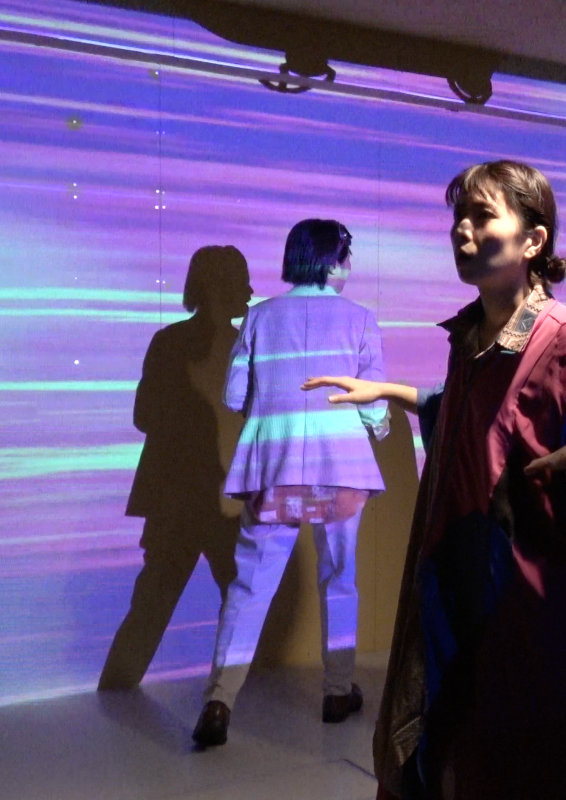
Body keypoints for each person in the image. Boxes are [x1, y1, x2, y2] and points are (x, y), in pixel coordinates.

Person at [304, 160, 566, 800]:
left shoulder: (565, 340)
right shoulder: (473, 333)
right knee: (451, 747)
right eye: (458, 217)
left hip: (526, 598)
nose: (462, 230)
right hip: (462, 577)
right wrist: (390, 392)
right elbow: (475, 420)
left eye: (482, 216)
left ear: (534, 240)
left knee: (518, 762)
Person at [191, 220, 389, 747]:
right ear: (331, 260)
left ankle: (219, 700)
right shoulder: (360, 319)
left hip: (274, 468)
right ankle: (337, 691)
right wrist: (378, 426)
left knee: (249, 586)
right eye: (346, 256)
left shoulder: (259, 317)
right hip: (340, 468)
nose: (349, 266)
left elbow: (235, 396)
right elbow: (373, 406)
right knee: (339, 579)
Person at [100, 245, 251, 691]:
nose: (249, 291)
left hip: (199, 502)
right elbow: (147, 414)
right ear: (220, 286)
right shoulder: (229, 347)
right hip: (201, 502)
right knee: (221, 605)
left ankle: (118, 697)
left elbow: (145, 415)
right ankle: (226, 697)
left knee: (152, 609)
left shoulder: (178, 343)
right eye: (241, 281)